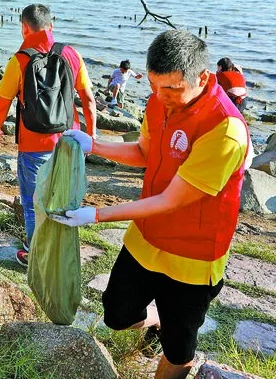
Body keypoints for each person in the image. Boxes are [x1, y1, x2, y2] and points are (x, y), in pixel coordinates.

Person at [53, 30, 249, 379]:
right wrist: (94, 144)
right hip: (146, 237)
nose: (160, 96)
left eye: (171, 88)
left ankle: (169, 333)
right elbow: (144, 152)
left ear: (203, 78)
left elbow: (171, 201)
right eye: (154, 86)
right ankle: (156, 319)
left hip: (192, 256)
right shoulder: (159, 102)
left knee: (178, 351)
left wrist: (95, 215)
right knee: (116, 314)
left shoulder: (224, 129)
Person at [0, 3, 96, 267]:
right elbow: (89, 101)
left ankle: (35, 254)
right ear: (51, 25)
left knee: (33, 202)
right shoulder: (72, 55)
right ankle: (60, 250)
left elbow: (2, 104)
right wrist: (91, 138)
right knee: (64, 198)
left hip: (33, 143)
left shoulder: (19, 60)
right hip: (69, 140)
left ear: (24, 28)